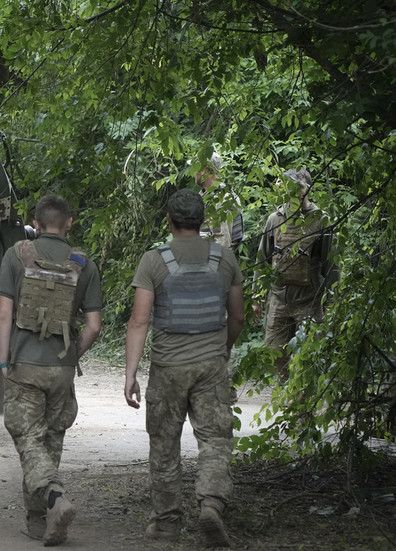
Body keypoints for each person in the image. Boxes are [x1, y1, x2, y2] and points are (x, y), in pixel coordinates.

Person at [124, 189, 244, 548]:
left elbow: (139, 321)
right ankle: (211, 505)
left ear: (169, 220)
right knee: (215, 440)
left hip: (168, 368)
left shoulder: (154, 261)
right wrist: (222, 349)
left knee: (164, 444)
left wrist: (131, 373)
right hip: (211, 366)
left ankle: (166, 524)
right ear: (202, 219)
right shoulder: (224, 258)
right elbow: (237, 316)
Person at [0, 194, 103, 546]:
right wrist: (72, 354)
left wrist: (3, 360)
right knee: (51, 440)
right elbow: (94, 325)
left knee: (28, 439)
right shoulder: (83, 263)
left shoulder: (16, 255)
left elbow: (4, 315)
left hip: (25, 365)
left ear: (35, 224)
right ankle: (38, 519)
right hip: (61, 368)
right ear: (69, 223)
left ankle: (54, 498)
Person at [252, 168, 337, 380]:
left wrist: (332, 302)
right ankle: (285, 395)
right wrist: (257, 297)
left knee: (306, 359)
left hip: (309, 301)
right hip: (278, 298)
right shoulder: (275, 219)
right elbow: (262, 260)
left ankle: (303, 399)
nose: (291, 190)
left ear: (306, 189)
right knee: (275, 353)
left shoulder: (320, 220)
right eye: (287, 185)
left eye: (297, 186)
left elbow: (331, 265)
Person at [194, 152, 245, 254]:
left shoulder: (222, 199)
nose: (194, 173)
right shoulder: (207, 196)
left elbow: (223, 243)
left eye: (195, 168)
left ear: (204, 171)